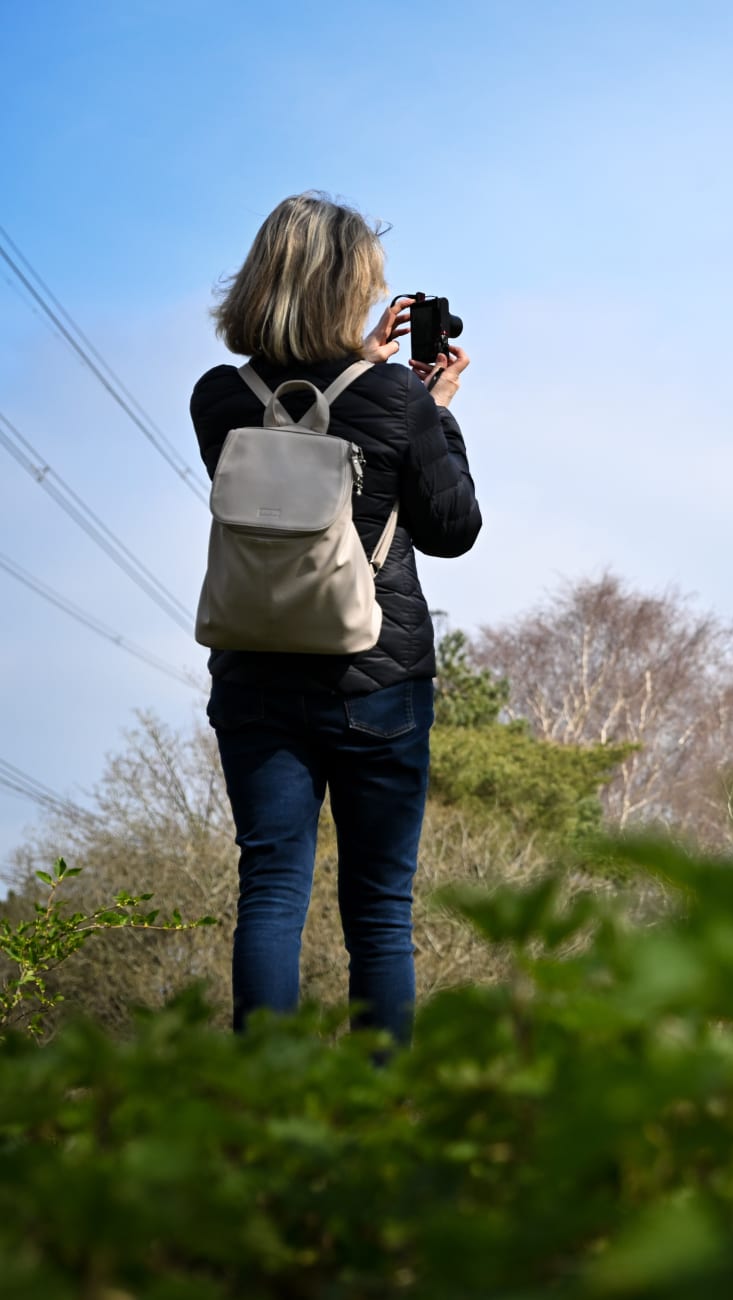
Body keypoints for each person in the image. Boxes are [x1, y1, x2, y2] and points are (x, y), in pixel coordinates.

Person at [190, 191, 480, 1051]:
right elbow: (452, 530)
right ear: (349, 286)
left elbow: (290, 449)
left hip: (254, 672)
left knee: (271, 889)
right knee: (381, 911)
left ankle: (264, 1102)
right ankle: (379, 1117)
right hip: (377, 680)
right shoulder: (397, 397)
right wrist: (437, 409)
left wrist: (368, 375)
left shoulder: (218, 398)